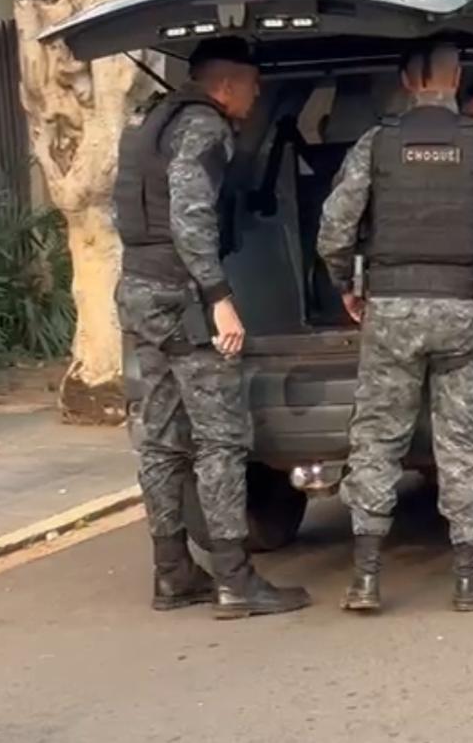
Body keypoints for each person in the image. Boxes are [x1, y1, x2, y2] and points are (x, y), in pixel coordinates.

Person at [317, 42, 473, 613]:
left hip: (390, 312)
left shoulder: (377, 144)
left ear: (403, 79)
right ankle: (468, 579)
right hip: (463, 312)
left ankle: (366, 578)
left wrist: (346, 286)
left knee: (376, 441)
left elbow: (334, 229)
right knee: (461, 443)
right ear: (457, 78)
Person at [113, 36, 311, 620]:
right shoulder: (204, 129)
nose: (257, 95)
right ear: (225, 84)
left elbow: (130, 209)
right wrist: (220, 297)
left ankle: (172, 573)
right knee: (221, 439)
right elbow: (189, 216)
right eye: (252, 84)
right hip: (184, 298)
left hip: (140, 290)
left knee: (159, 438)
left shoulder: (147, 122)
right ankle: (234, 578)